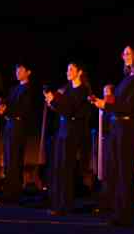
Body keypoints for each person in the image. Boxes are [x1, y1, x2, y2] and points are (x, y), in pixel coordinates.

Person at [91, 46, 134, 226]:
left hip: (128, 126)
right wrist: (105, 101)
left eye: (128, 53)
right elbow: (119, 102)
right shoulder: (127, 78)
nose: (124, 56)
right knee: (116, 168)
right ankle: (117, 211)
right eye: (123, 53)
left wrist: (105, 105)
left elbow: (129, 107)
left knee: (124, 169)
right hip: (118, 125)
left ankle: (125, 214)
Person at [45, 62, 92, 215]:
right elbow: (61, 109)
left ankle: (65, 205)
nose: (68, 72)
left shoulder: (82, 90)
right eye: (67, 69)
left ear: (79, 72)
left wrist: (54, 101)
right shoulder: (67, 89)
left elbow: (70, 109)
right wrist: (51, 102)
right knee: (58, 167)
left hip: (73, 131)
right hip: (62, 129)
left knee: (66, 168)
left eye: (71, 69)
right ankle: (57, 203)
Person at [0, 63, 36, 203]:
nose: (17, 72)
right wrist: (1, 106)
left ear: (28, 72)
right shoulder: (14, 88)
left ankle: (13, 193)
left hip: (19, 127)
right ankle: (8, 190)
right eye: (16, 70)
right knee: (7, 158)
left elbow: (23, 109)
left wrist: (7, 110)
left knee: (15, 159)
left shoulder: (29, 89)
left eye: (21, 70)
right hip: (9, 125)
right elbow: (7, 103)